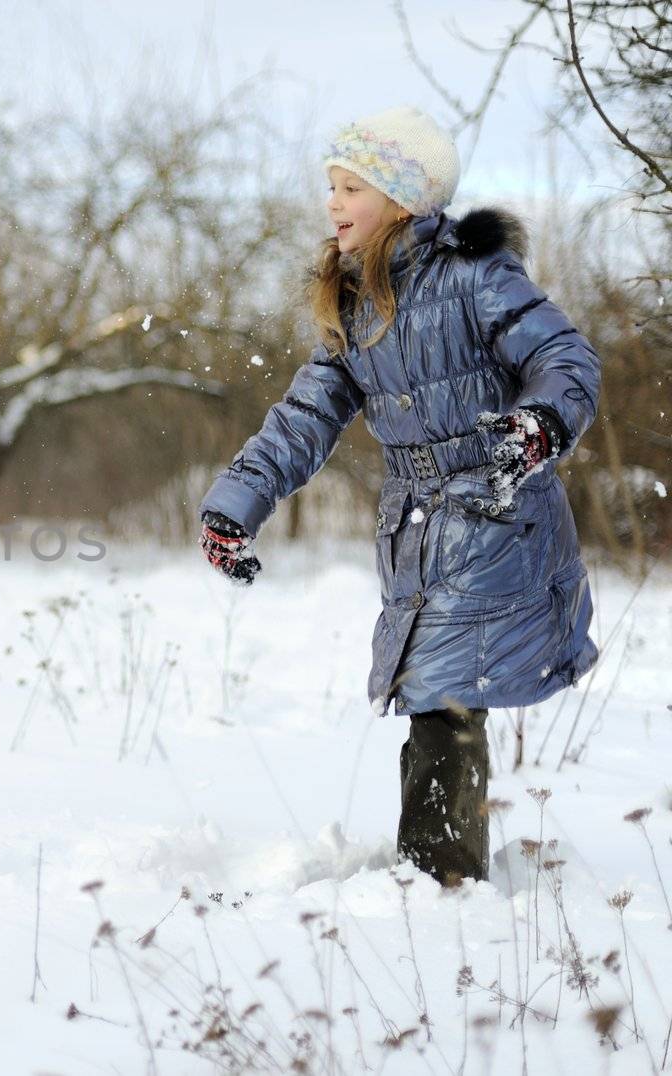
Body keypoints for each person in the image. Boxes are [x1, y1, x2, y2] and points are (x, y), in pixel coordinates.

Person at [197, 107, 600, 886]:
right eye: (331, 186)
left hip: (496, 508)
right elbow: (305, 417)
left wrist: (540, 424)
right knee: (429, 696)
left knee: (445, 697)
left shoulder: (477, 275)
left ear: (405, 200)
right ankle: (435, 867)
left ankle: (441, 877)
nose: (333, 201)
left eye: (353, 186)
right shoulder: (354, 302)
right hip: (415, 527)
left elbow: (562, 353)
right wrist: (233, 506)